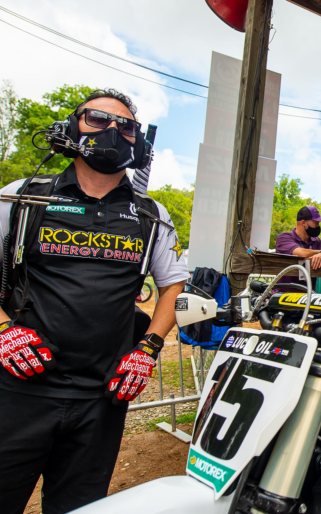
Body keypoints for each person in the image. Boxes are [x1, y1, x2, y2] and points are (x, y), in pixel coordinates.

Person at [0, 89, 189, 514]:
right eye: (98, 119)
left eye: (126, 126)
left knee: (80, 508)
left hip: (103, 397)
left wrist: (148, 349)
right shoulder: (22, 196)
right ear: (70, 128)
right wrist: (3, 330)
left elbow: (173, 286)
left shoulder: (152, 214)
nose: (113, 130)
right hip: (18, 388)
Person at [274, 206, 321, 292]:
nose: (318, 226)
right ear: (303, 222)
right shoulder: (284, 237)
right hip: (283, 295)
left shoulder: (316, 240)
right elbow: (302, 253)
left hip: (307, 295)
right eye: (315, 223)